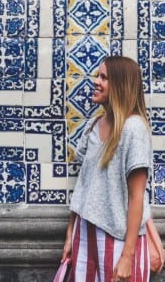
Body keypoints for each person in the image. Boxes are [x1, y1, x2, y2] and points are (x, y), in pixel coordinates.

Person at [61, 56, 153, 282]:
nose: (96, 81)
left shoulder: (134, 129)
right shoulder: (93, 126)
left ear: (120, 85)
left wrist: (127, 256)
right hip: (85, 235)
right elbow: (83, 185)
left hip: (118, 239)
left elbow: (137, 196)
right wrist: (70, 233)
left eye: (104, 78)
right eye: (97, 76)